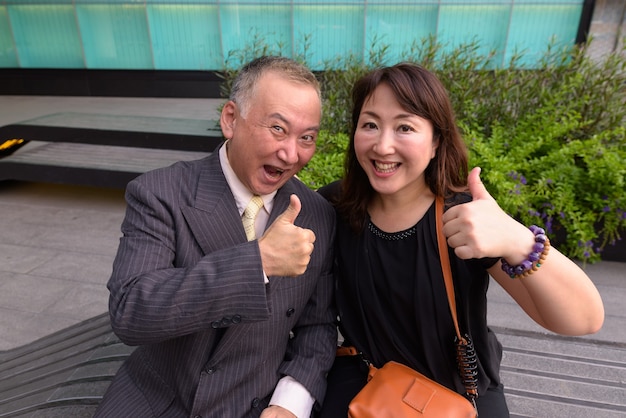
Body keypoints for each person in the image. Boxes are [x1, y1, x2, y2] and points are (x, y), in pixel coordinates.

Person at [317, 63, 604, 417]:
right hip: (365, 386)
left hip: (456, 396)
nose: (383, 144)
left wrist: (518, 241)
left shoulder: (465, 218)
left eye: (405, 126)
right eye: (370, 125)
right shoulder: (333, 206)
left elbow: (582, 320)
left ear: (436, 141)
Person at [95, 56, 337, 418]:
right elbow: (131, 311)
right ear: (230, 119)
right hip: (163, 402)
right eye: (277, 128)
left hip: (256, 405)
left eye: (307, 138)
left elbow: (317, 327)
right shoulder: (162, 193)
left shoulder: (317, 214)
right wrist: (257, 263)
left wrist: (291, 402)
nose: (290, 153)